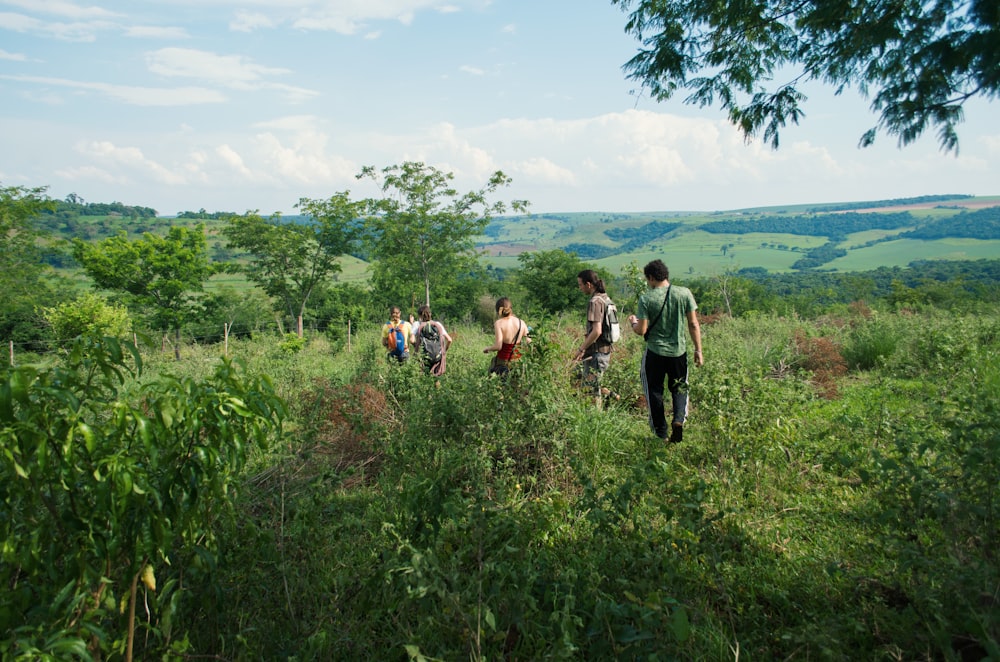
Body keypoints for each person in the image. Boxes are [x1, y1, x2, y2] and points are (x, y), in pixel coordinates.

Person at [626, 259, 703, 443]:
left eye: (648, 280)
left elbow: (642, 330)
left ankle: (660, 432)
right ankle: (678, 419)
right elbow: (693, 323)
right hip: (679, 352)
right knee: (680, 387)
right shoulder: (684, 293)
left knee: (654, 390)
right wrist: (698, 350)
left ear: (651, 277)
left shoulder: (646, 298)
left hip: (655, 352)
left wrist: (633, 323)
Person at [574, 269, 615, 405]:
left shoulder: (595, 302)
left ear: (589, 284)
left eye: (580, 285)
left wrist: (581, 349)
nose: (580, 288)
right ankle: (611, 396)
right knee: (592, 387)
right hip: (604, 351)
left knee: (591, 392)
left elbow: (596, 331)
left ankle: (593, 420)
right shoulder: (605, 298)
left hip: (596, 354)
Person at [483, 297, 530, 377]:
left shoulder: (499, 323)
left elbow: (498, 346)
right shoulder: (521, 322)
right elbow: (529, 341)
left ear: (498, 311)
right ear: (511, 308)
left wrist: (488, 349)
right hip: (518, 361)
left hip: (503, 362)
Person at [411, 304, 452, 375]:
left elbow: (411, 340)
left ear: (419, 316)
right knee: (437, 377)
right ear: (430, 314)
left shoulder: (417, 324)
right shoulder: (437, 324)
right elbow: (449, 340)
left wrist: (417, 347)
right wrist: (443, 351)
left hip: (425, 356)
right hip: (438, 356)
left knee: (424, 377)